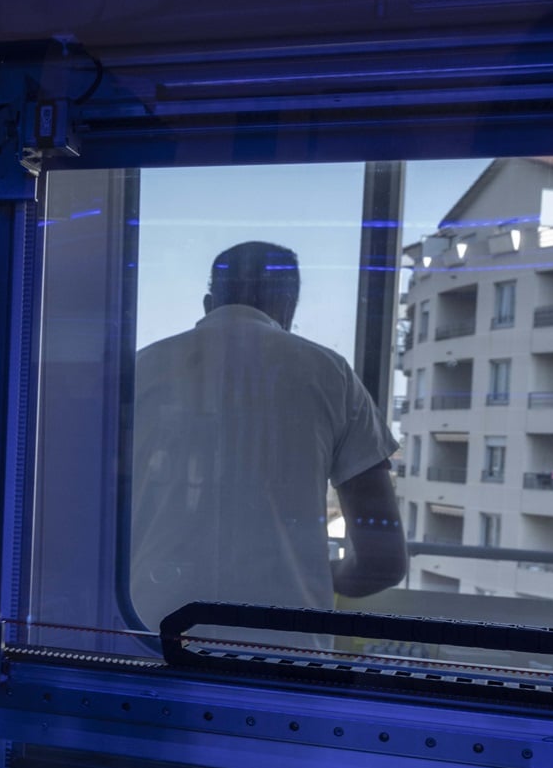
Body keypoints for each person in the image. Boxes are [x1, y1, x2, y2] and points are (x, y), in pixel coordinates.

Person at [129, 240, 408, 637]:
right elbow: (383, 562)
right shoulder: (332, 375)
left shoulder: (139, 371)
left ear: (210, 303)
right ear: (288, 307)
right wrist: (306, 572)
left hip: (146, 636)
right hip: (283, 648)